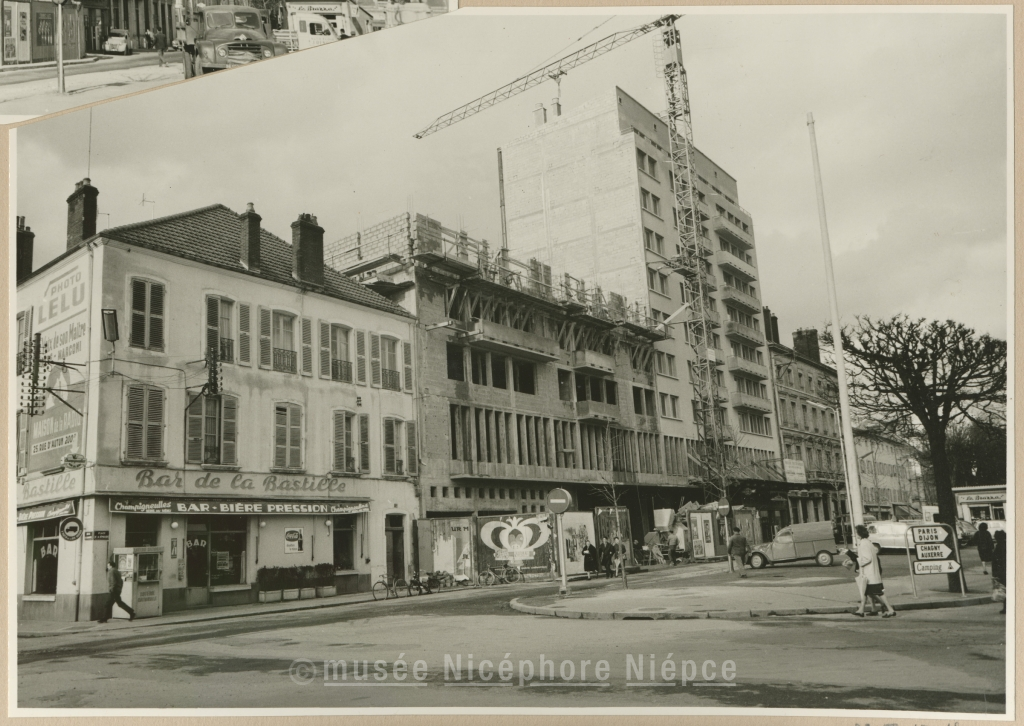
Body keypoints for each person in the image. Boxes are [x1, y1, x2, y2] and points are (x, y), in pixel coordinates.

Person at [852, 524, 895, 618]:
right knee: (867, 591)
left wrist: (859, 561)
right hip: (872, 573)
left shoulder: (863, 543)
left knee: (878, 592)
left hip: (870, 574)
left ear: (859, 534)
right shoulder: (868, 542)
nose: (855, 535)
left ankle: (890, 609)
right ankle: (865, 610)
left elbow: (867, 558)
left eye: (856, 533)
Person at [98, 556, 135, 623]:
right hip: (117, 590)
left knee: (108, 604)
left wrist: (112, 589)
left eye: (108, 565)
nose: (107, 567)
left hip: (113, 590)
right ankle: (131, 612)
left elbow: (113, 581)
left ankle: (104, 618)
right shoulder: (117, 571)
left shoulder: (111, 571)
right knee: (118, 603)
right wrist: (119, 588)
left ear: (111, 566)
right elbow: (121, 581)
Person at [991, 530, 1006, 615]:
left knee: (1004, 589)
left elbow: (995, 562)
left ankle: (1005, 607)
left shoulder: (998, 547)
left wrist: (994, 574)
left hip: (1001, 572)